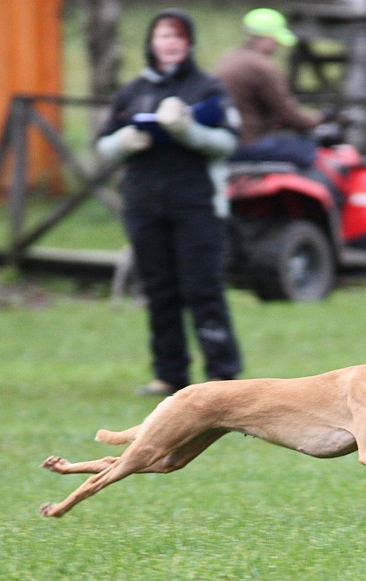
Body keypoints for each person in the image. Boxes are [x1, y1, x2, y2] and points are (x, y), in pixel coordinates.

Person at [96, 8, 242, 396]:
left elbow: (227, 142)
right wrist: (126, 141)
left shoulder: (208, 88)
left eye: (178, 36)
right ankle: (169, 374)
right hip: (144, 204)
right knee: (159, 291)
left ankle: (222, 375)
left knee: (202, 289)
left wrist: (188, 130)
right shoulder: (132, 91)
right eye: (163, 35)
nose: (170, 43)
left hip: (197, 205)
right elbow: (104, 144)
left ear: (189, 42)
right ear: (151, 43)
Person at [214, 8, 325, 168]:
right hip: (248, 144)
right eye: (276, 40)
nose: (278, 46)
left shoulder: (229, 58)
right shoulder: (263, 67)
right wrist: (320, 118)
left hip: (225, 141)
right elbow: (290, 116)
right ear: (266, 38)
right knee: (309, 149)